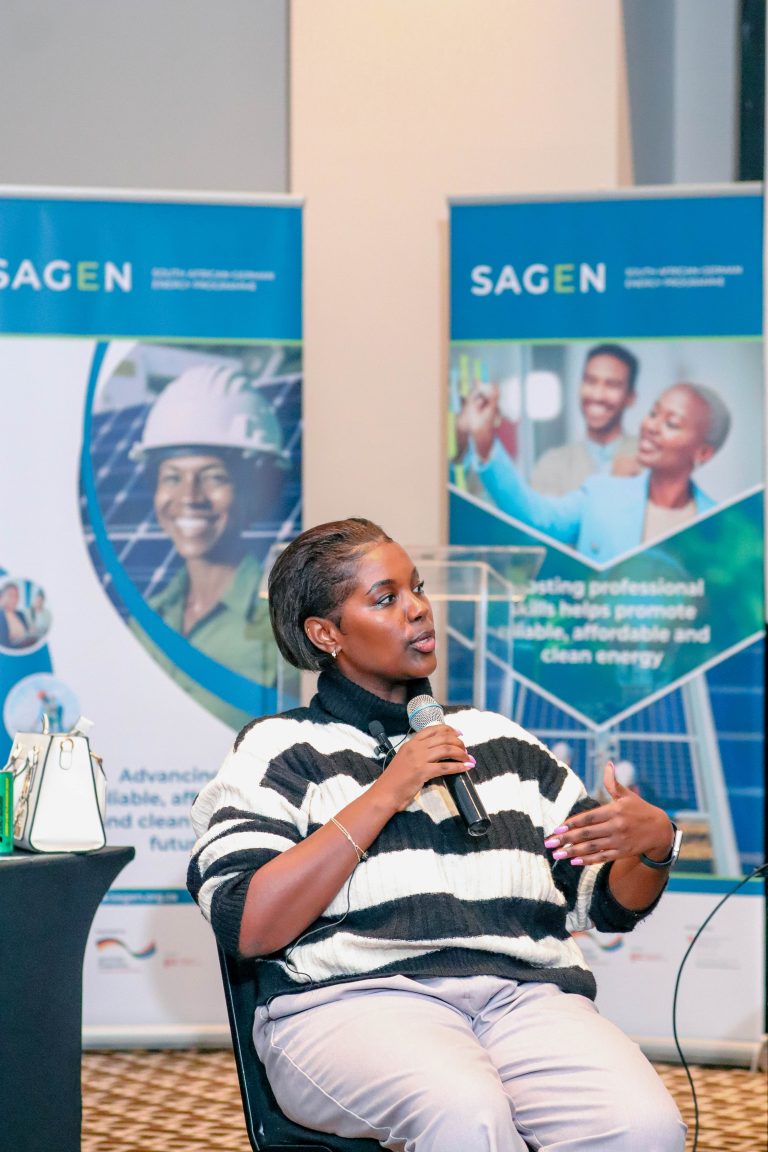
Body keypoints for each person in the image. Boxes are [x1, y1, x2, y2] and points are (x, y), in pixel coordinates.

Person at [188, 517, 685, 1151]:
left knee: (644, 1128)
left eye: (417, 588)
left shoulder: (500, 739)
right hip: (349, 1001)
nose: (419, 608)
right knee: (466, 1113)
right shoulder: (279, 749)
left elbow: (605, 902)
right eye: (385, 598)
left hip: (524, 1001)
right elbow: (247, 922)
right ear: (326, 634)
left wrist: (653, 846)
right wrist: (388, 791)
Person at [129, 363, 285, 728]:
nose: (189, 496)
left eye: (214, 477)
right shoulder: (146, 621)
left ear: (252, 493)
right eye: (172, 477)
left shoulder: (282, 625)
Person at [461, 382, 730, 563]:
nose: (650, 426)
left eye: (671, 423)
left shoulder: (721, 527)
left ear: (703, 452)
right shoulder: (601, 494)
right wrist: (484, 442)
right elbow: (536, 517)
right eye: (653, 413)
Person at [529, 343, 640, 494]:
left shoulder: (650, 460)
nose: (597, 395)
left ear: (630, 397)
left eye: (612, 385)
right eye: (590, 381)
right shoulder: (550, 465)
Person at [0, 582, 31, 649]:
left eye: (17, 595)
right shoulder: (1, 616)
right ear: (1, 597)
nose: (14, 599)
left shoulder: (21, 614)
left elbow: (27, 632)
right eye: (10, 595)